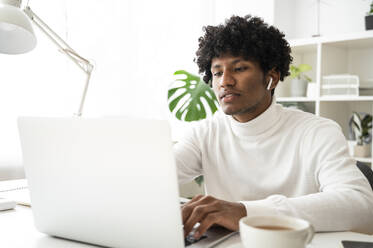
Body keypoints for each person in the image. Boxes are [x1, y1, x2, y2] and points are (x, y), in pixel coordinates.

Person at [173, 15, 373, 240]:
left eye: (239, 68)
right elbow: (157, 176)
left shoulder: (316, 132)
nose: (225, 81)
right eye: (217, 72)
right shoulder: (204, 134)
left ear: (272, 77)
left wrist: (244, 212)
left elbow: (360, 205)